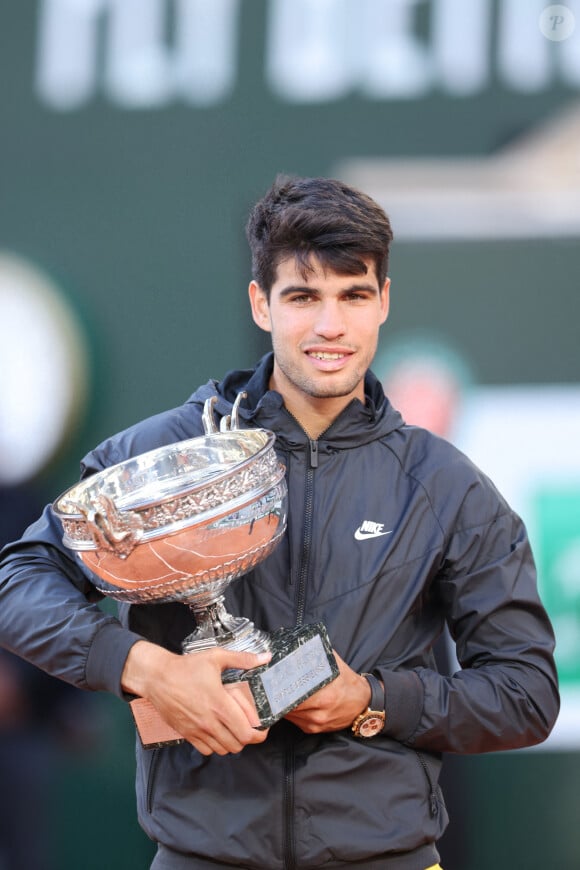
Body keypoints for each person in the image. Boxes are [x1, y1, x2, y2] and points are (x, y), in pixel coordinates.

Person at [0, 176, 559, 870]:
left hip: (390, 854)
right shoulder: (168, 455)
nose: (330, 326)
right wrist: (150, 670)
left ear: (383, 301)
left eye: (353, 295)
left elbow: (526, 694)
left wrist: (373, 699)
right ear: (261, 304)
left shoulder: (447, 488)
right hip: (200, 853)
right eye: (304, 296)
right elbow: (17, 582)